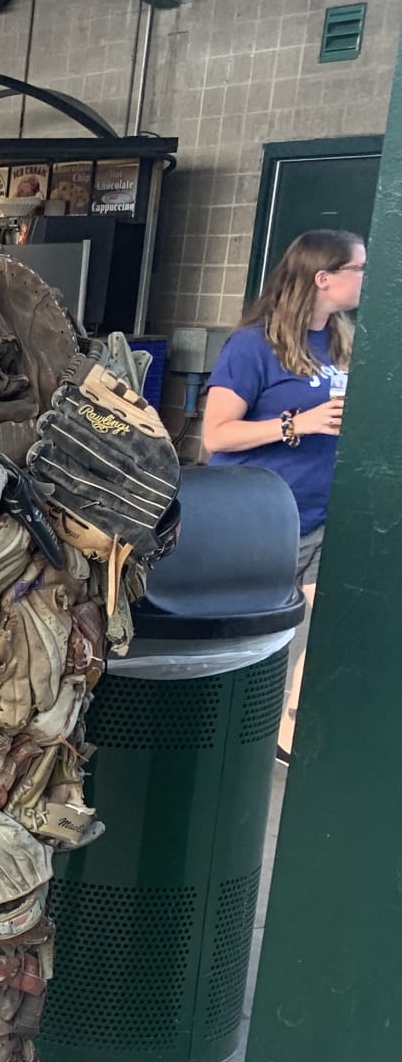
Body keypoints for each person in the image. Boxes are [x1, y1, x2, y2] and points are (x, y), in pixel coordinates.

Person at [200, 228, 363, 757]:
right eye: (357, 269)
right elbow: (216, 435)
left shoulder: (345, 341)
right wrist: (298, 424)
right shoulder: (253, 345)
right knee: (245, 636)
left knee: (310, 634)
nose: (366, 279)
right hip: (259, 523)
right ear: (324, 277)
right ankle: (223, 729)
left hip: (319, 517)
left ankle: (284, 737)